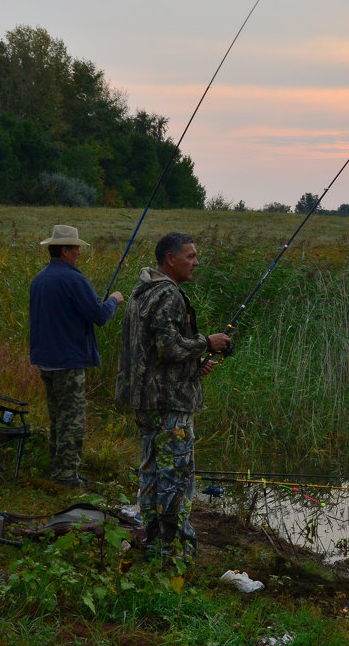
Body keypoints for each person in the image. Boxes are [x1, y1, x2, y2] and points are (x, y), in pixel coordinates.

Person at [115, 231, 231, 561]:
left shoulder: (143, 291)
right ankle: (174, 551)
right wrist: (208, 343)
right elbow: (168, 346)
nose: (196, 262)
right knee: (175, 479)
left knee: (151, 473)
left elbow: (153, 351)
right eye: (191, 256)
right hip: (169, 406)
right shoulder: (168, 295)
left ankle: (153, 543)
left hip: (147, 400)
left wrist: (193, 364)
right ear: (171, 259)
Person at [29, 224, 123, 488]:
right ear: (65, 250)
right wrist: (114, 299)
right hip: (68, 361)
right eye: (76, 248)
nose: (79, 253)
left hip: (46, 360)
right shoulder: (73, 279)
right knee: (73, 421)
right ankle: (67, 477)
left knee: (58, 419)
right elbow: (100, 315)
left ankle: (58, 471)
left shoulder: (40, 279)